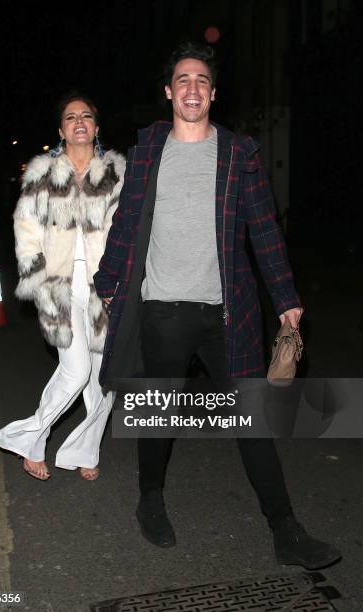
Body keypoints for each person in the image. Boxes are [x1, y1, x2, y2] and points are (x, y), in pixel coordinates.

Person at [94, 43, 341, 569]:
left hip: (225, 315)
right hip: (162, 309)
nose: (192, 89)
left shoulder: (238, 154)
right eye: (182, 79)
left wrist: (287, 300)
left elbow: (264, 230)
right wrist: (108, 278)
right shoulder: (146, 152)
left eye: (202, 81)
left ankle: (285, 529)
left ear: (212, 93)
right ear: (168, 91)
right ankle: (151, 500)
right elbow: (127, 221)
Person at [0, 92, 125, 481]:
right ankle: (29, 439)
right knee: (76, 370)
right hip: (60, 287)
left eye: (86, 116)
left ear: (96, 128)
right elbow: (26, 229)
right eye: (71, 117)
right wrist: (37, 283)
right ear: (61, 129)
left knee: (104, 379)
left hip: (107, 287)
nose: (79, 122)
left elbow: (129, 230)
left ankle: (85, 449)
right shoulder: (43, 174)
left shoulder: (117, 174)